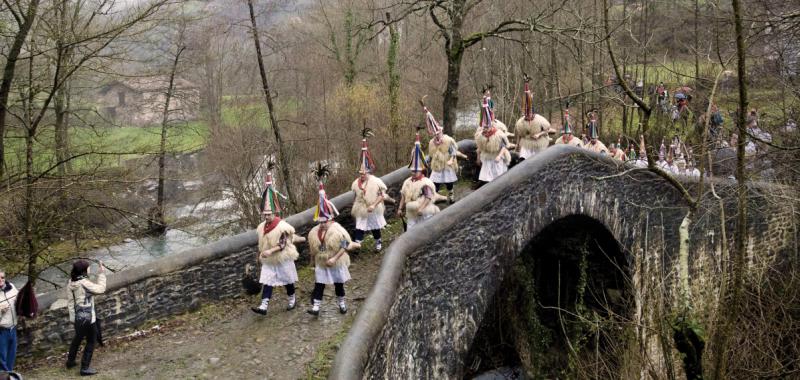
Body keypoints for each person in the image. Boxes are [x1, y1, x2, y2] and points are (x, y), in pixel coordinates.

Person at [307, 165, 360, 316]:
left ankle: (342, 303)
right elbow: (313, 249)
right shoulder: (314, 233)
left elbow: (345, 245)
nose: (322, 224)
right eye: (320, 222)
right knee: (319, 284)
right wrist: (313, 262)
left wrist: (335, 258)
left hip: (335, 261)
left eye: (325, 221)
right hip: (322, 261)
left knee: (338, 284)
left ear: (330, 219)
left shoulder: (337, 231)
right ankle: (316, 307)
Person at [251, 169, 305, 315]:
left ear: (274, 213)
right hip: (269, 259)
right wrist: (260, 254)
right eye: (265, 214)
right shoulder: (261, 227)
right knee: (267, 281)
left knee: (287, 280)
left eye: (269, 214)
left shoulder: (282, 226)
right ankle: (263, 305)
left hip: (281, 257)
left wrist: (270, 251)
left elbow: (282, 244)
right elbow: (261, 243)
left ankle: (292, 298)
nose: (267, 217)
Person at [66, 260, 107, 376]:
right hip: (88, 318)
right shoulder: (84, 283)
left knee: (77, 339)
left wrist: (72, 319)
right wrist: (102, 273)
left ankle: (70, 361)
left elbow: (70, 302)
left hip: (77, 318)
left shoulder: (71, 282)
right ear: (83, 270)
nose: (89, 269)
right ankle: (84, 368)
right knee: (91, 341)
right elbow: (100, 289)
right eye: (88, 268)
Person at [351, 128, 389, 249]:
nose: (362, 175)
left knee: (374, 226)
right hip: (361, 207)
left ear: (368, 172)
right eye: (360, 173)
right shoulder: (355, 183)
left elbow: (382, 195)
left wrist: (373, 205)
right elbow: (355, 196)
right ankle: (357, 244)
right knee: (360, 226)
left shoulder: (376, 181)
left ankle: (378, 242)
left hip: (373, 206)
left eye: (364, 173)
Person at [422, 100, 461, 203]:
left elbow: (453, 152)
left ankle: (451, 196)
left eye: (438, 133)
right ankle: (432, 198)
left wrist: (451, 160)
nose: (437, 135)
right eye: (435, 134)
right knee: (435, 183)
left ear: (441, 131)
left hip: (447, 164)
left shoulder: (448, 140)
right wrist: (426, 160)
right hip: (437, 165)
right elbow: (431, 154)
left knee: (449, 183)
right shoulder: (432, 143)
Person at [399, 133, 440, 228]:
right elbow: (403, 196)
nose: (413, 173)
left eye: (416, 171)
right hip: (411, 211)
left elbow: (428, 197)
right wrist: (400, 208)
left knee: (425, 230)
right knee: (410, 231)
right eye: (412, 171)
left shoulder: (425, 183)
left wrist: (421, 208)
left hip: (423, 211)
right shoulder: (407, 182)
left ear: (421, 171)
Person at [475, 94, 512, 184]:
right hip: (487, 157)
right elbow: (480, 147)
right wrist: (478, 157)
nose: (485, 129)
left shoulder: (498, 134)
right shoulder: (481, 134)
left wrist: (499, 156)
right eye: (484, 127)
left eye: (487, 127)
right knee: (486, 177)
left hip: (497, 156)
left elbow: (504, 146)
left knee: (498, 177)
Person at [514, 79, 553, 159]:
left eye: (529, 114)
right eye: (526, 114)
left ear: (532, 112)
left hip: (539, 144)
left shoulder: (540, 120)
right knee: (523, 159)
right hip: (527, 144)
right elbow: (520, 134)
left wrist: (539, 134)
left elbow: (549, 130)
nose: (528, 116)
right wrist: (517, 145)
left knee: (539, 161)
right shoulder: (521, 122)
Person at [0, 270, 18, 373]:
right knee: (1, 359)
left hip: (13, 329)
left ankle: (9, 376)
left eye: (2, 277)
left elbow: (20, 298)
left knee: (11, 357)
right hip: (1, 331)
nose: (1, 280)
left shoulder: (11, 287)